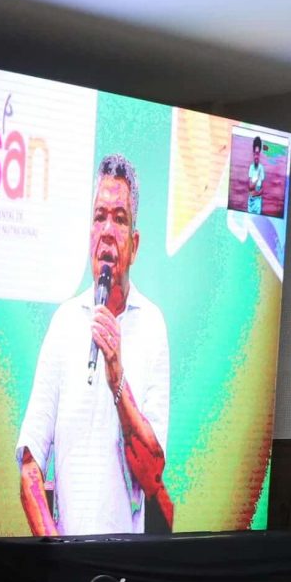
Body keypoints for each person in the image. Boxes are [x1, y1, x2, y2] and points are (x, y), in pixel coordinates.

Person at [17, 154, 173, 537]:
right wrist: (59, 554)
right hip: (68, 560)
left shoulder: (152, 325)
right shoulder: (65, 323)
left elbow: (153, 475)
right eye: (99, 216)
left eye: (119, 219)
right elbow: (29, 465)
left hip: (128, 568)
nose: (106, 230)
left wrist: (117, 376)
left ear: (133, 245)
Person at [246, 135, 267, 216]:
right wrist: (257, 178)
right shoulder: (251, 167)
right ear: (253, 153)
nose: (256, 156)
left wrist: (255, 193)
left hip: (258, 201)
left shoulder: (261, 168)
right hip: (251, 201)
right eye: (255, 153)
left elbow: (262, 190)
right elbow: (250, 187)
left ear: (259, 154)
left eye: (257, 154)